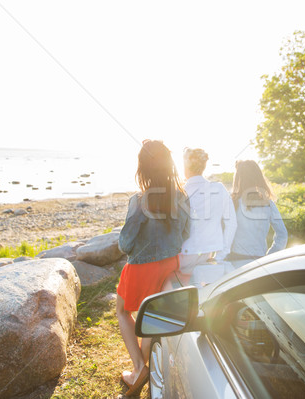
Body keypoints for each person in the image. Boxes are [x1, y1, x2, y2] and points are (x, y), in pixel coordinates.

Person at [116, 140, 190, 396]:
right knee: (152, 315)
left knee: (122, 312)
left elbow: (124, 245)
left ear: (143, 168)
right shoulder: (181, 197)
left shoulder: (139, 201)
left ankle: (139, 367)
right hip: (169, 265)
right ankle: (140, 369)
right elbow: (186, 234)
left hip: (141, 267)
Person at [179, 148, 237, 274]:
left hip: (182, 258)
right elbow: (232, 223)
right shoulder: (219, 189)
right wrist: (220, 255)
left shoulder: (180, 192)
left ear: (186, 167)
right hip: (209, 255)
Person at [228, 160, 287, 262]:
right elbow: (282, 235)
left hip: (234, 263)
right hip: (259, 264)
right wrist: (269, 256)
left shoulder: (232, 203)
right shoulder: (269, 204)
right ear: (258, 177)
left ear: (238, 178)